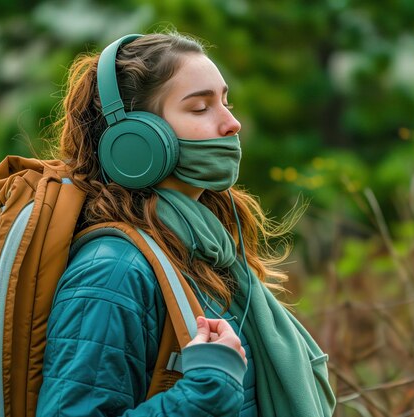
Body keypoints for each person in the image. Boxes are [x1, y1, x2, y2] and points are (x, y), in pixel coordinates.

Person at [35, 30, 335, 417]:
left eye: (226, 102)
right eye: (200, 108)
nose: (232, 124)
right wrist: (205, 393)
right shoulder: (112, 271)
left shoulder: (208, 252)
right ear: (136, 140)